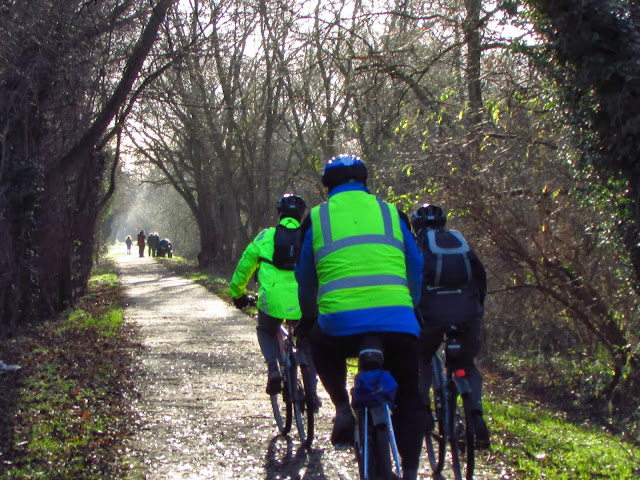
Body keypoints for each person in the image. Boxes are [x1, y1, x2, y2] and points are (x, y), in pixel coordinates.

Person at [295, 154, 426, 480]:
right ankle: (410, 472)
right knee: (410, 401)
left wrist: (309, 318)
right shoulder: (391, 212)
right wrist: (411, 307)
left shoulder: (317, 218)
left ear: (328, 187)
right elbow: (416, 264)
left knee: (319, 342)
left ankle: (342, 407)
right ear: (365, 182)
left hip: (340, 326)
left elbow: (305, 278)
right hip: (398, 323)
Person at [410, 203, 490, 449]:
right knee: (467, 364)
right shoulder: (458, 242)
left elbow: (411, 280)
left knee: (422, 357)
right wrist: (477, 309)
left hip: (432, 314)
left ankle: (423, 410)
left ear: (416, 226)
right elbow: (480, 276)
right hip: (467, 312)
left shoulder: (417, 246)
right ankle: (476, 414)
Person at [229, 194, 320, 408]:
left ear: (279, 214)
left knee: (266, 330)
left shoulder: (266, 236)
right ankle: (312, 393)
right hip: (304, 300)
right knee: (307, 341)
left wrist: (237, 293)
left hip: (272, 300)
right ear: (301, 215)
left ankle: (273, 370)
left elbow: (245, 265)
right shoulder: (310, 237)